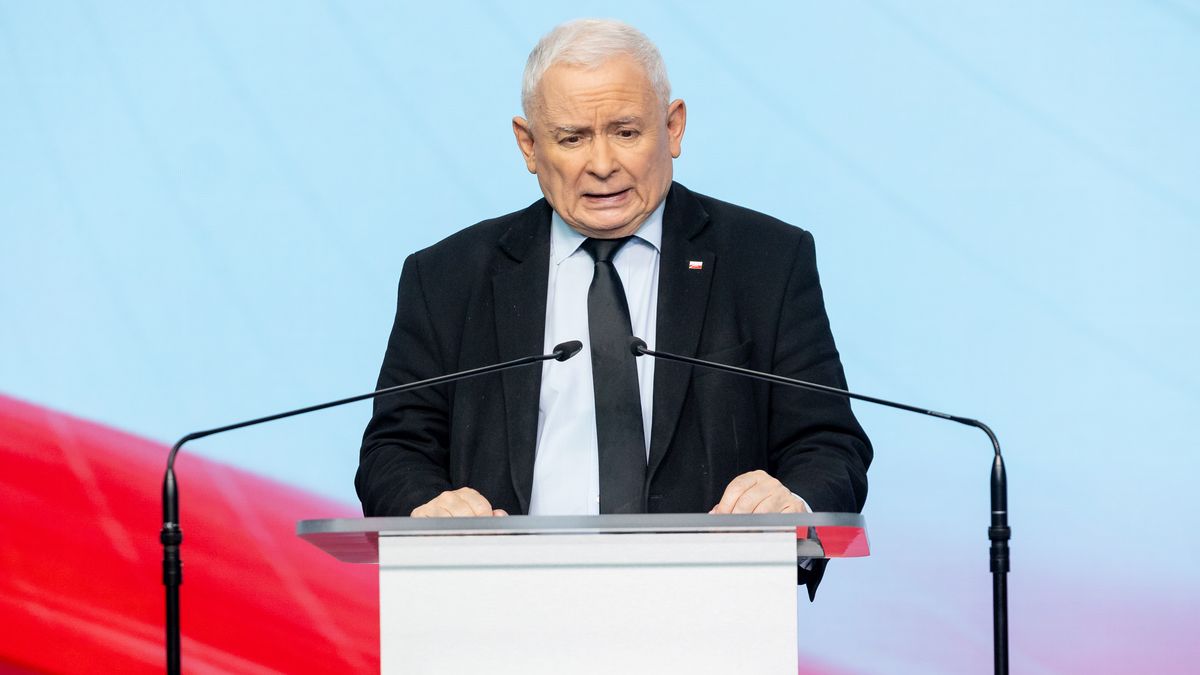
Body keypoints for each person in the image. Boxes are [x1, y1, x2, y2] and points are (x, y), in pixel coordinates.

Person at [356, 18, 871, 594]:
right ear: (529, 145)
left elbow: (829, 445)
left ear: (673, 128)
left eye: (626, 132)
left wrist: (792, 501)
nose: (602, 164)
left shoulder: (766, 261)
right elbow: (394, 449)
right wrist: (429, 507)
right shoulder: (448, 276)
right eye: (572, 138)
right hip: (495, 602)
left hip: (711, 602)